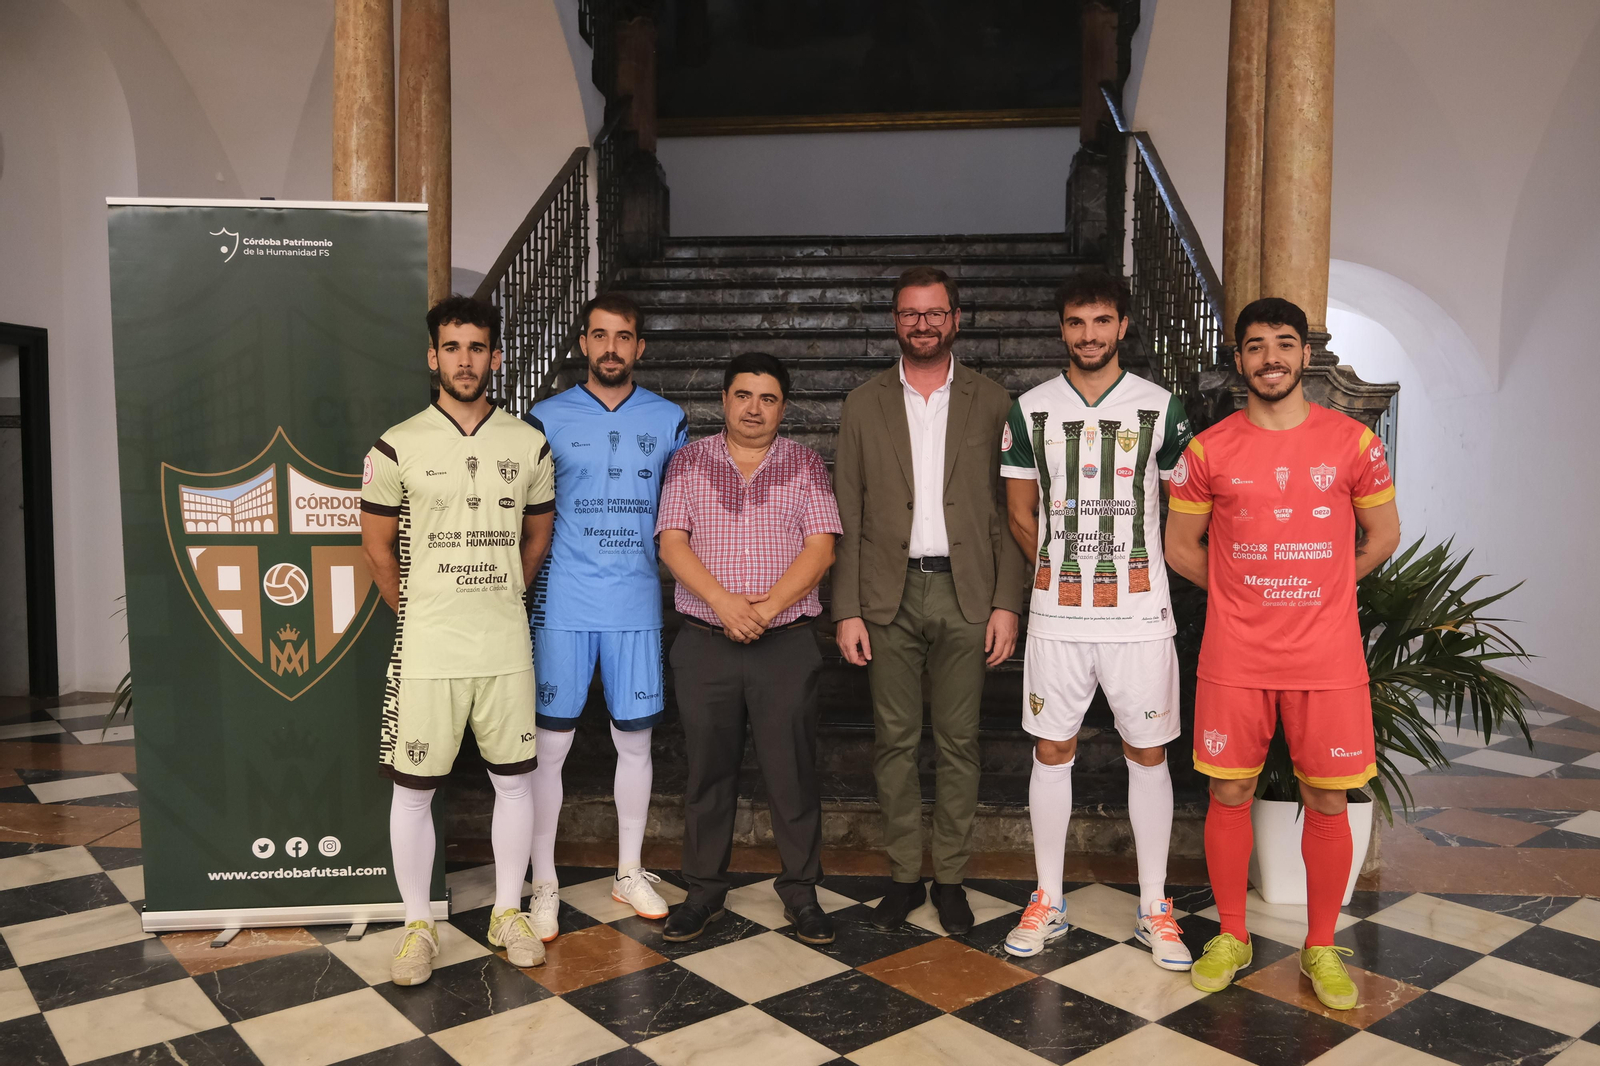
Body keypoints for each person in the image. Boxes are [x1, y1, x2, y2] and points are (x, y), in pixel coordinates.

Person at [1165, 297, 1400, 1010]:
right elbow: (1181, 548)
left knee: (1328, 796)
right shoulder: (1208, 450)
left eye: (1285, 343)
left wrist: (1321, 588)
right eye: (1257, 345)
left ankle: (1321, 946)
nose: (1271, 356)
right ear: (1239, 360)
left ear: (1304, 355)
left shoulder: (1353, 443)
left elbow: (1382, 536)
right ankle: (1232, 934)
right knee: (1229, 791)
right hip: (1236, 655)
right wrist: (1244, 595)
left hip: (1326, 657)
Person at [998, 272, 1194, 967]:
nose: (1089, 335)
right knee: (1052, 750)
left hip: (1140, 616)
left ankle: (1154, 907)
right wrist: (1057, 566)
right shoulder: (1029, 410)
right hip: (1058, 615)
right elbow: (1020, 515)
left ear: (1123, 326)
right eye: (1077, 323)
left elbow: (1185, 511)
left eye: (1101, 322)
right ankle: (1047, 899)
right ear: (1062, 329)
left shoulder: (1163, 409)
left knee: (1148, 752)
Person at [360, 295, 556, 984]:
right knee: (413, 791)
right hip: (429, 647)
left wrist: (504, 596)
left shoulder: (526, 442)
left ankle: (508, 911)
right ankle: (417, 924)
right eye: (452, 347)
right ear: (433, 356)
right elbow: (377, 547)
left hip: (503, 646)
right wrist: (417, 611)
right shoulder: (396, 444)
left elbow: (538, 536)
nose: (465, 360)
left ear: (495, 357)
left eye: (477, 348)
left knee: (514, 784)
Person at [833, 266, 1027, 934]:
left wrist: (1007, 602)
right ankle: (901, 876)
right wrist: (847, 607)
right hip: (886, 594)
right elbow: (849, 511)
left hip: (964, 592)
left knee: (959, 742)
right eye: (911, 314)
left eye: (934, 312)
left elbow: (1010, 514)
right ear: (896, 321)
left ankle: (949, 878)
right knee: (892, 740)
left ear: (955, 318)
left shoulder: (994, 400)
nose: (923, 324)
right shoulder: (863, 403)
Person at [654, 352, 842, 944]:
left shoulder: (806, 466)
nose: (753, 408)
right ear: (724, 400)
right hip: (706, 643)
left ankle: (801, 892)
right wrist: (725, 604)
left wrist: (761, 611)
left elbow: (821, 551)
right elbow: (672, 544)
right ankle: (703, 891)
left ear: (783, 407)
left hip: (783, 643)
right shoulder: (688, 462)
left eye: (767, 398)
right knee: (707, 771)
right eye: (743, 395)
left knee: (792, 772)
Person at [522, 293, 687, 940]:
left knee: (635, 743)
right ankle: (544, 884)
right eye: (600, 336)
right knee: (550, 747)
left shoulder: (670, 420)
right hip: (564, 602)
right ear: (584, 344)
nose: (611, 347)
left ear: (640, 346)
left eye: (624, 336)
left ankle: (628, 870)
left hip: (636, 603)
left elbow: (682, 515)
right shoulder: (544, 418)